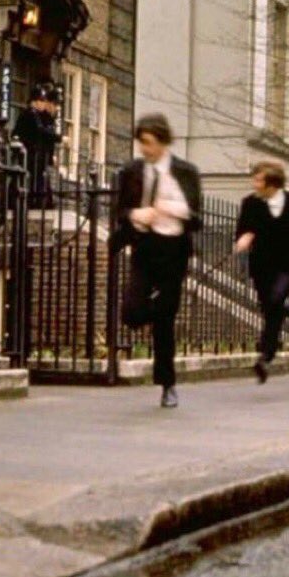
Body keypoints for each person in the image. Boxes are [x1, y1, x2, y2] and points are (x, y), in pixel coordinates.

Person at [111, 113, 202, 408]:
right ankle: (154, 311)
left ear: (163, 141)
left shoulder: (186, 172)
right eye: (141, 144)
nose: (144, 150)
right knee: (131, 312)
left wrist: (170, 208)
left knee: (165, 322)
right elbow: (120, 210)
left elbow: (196, 216)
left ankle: (167, 384)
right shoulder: (131, 171)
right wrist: (137, 215)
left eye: (148, 143)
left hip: (174, 250)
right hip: (145, 246)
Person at [234, 161, 289, 383]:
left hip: (288, 265)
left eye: (258, 180)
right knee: (269, 308)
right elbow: (242, 229)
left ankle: (266, 353)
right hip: (262, 266)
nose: (254, 184)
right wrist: (245, 237)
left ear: (272, 183)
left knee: (275, 300)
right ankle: (267, 356)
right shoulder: (250, 203)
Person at [11, 83, 60, 204]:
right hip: (29, 153)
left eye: (44, 101)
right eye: (40, 101)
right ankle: (33, 201)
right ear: (34, 102)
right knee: (30, 178)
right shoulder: (30, 114)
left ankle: (41, 201)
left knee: (38, 179)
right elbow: (40, 131)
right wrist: (59, 138)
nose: (43, 103)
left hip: (36, 154)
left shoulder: (38, 115)